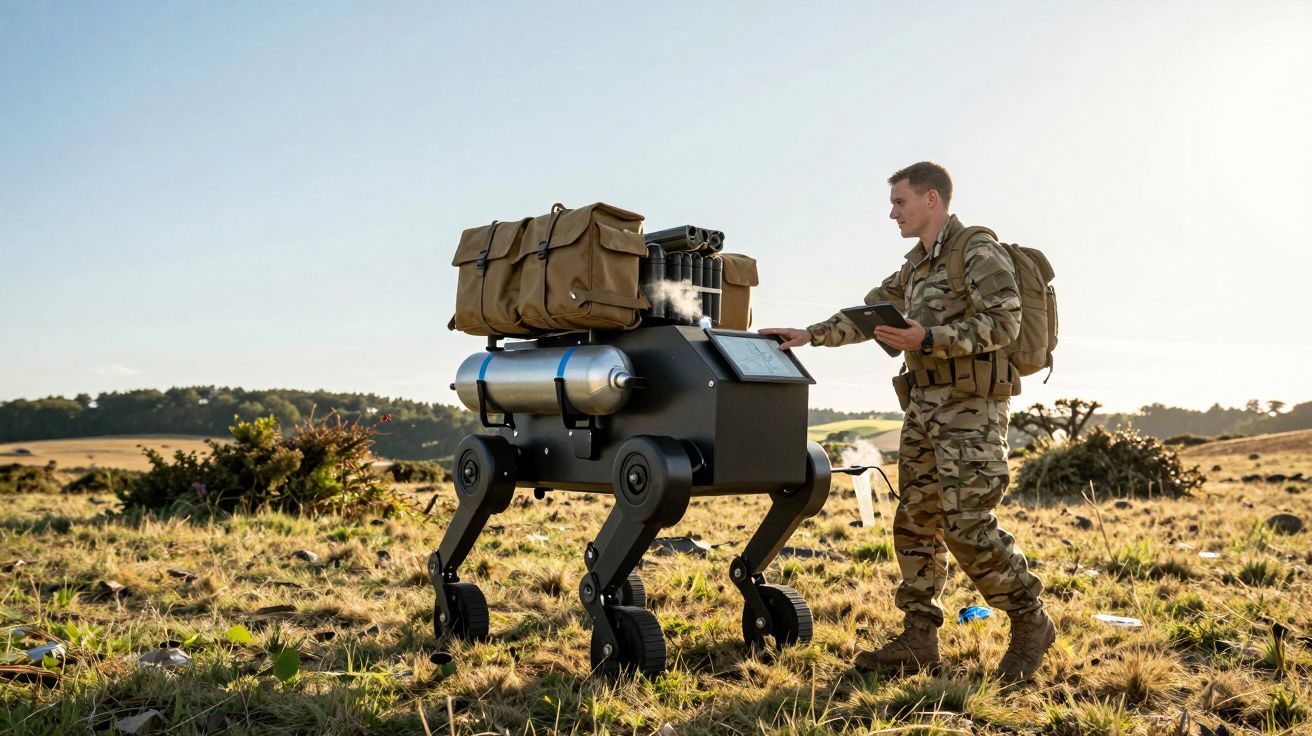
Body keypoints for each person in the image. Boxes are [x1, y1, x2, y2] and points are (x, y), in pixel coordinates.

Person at [760, 161, 1055, 684]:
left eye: (900, 201)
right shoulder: (915, 267)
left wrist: (928, 339)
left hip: (971, 408)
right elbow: (867, 314)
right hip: (923, 407)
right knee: (916, 520)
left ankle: (1031, 622)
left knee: (967, 521)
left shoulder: (977, 250)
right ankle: (920, 635)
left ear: (931, 200)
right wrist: (807, 335)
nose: (891, 211)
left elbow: (1004, 323)